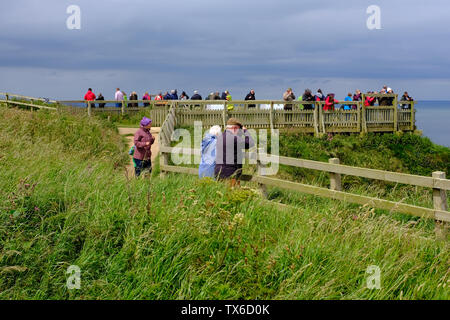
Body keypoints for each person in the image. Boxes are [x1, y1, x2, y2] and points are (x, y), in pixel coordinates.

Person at [215, 118, 255, 183]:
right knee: (231, 192)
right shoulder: (234, 138)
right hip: (231, 174)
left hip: (218, 172)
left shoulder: (220, 137)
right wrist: (245, 131)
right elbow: (250, 143)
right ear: (234, 128)